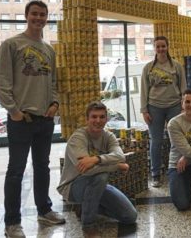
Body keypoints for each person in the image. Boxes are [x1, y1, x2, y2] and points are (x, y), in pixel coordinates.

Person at [0, 0, 65, 238]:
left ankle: (44, 209)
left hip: (44, 119)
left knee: (42, 167)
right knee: (16, 170)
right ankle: (12, 223)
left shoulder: (49, 49)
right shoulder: (11, 44)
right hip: (21, 119)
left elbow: (53, 82)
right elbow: (1, 82)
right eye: (34, 14)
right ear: (26, 16)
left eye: (43, 15)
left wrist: (55, 104)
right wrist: (13, 110)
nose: (39, 18)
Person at [57, 101, 137, 237]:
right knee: (101, 176)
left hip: (97, 186)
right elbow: (86, 170)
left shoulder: (108, 136)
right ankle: (88, 225)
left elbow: (120, 156)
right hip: (73, 186)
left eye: (102, 117)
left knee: (130, 217)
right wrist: (116, 166)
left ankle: (86, 207)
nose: (98, 121)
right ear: (87, 119)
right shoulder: (77, 138)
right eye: (94, 117)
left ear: (106, 119)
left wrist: (96, 159)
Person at [140, 36, 187, 187]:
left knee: (176, 140)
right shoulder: (148, 68)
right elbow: (144, 90)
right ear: (155, 48)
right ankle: (155, 174)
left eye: (163, 46)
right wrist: (144, 110)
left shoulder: (177, 66)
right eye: (158, 46)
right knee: (156, 141)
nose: (161, 49)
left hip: (174, 106)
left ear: (167, 47)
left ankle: (177, 170)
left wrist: (183, 107)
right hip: (154, 108)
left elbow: (183, 87)